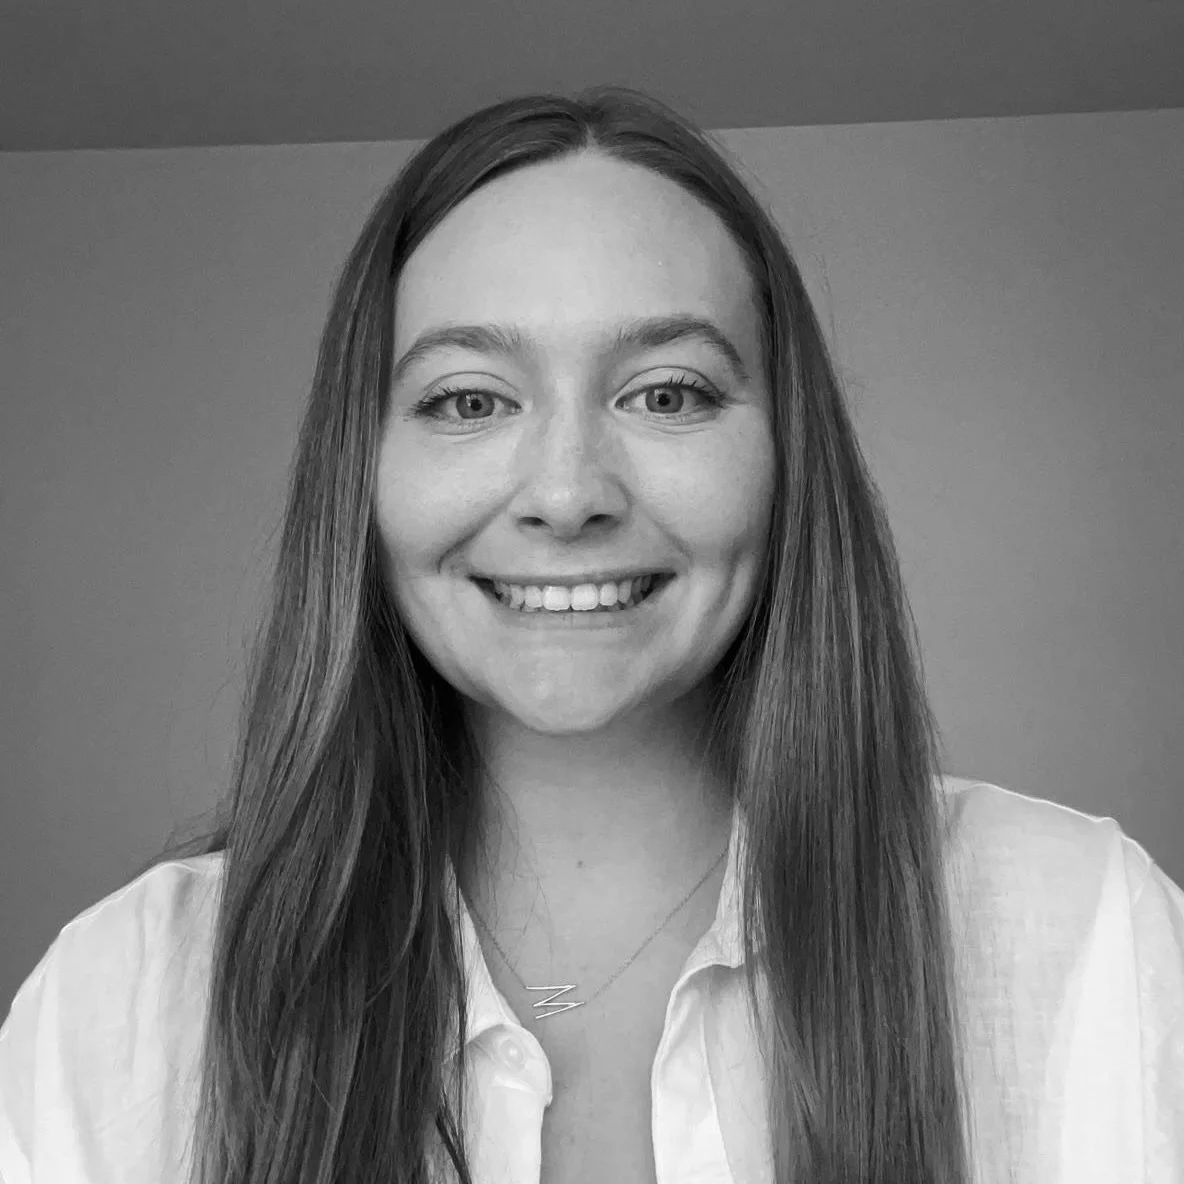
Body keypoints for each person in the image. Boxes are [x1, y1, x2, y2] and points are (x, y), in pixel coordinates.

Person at [1, 85, 1182, 1184]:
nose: (566, 493)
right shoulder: (121, 1000)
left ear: (786, 456)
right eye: (469, 399)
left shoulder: (1087, 936)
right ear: (362, 470)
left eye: (665, 393)